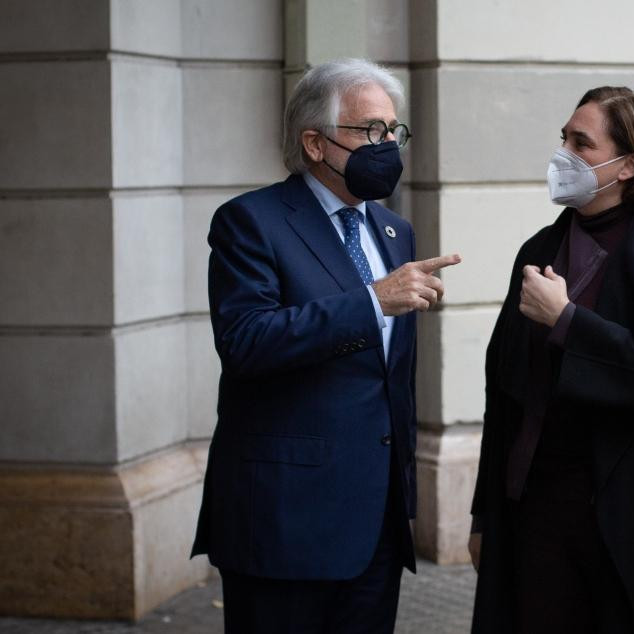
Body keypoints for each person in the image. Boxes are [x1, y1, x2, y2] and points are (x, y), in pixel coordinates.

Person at [191, 58, 461, 633]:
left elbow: (390, 379)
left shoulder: (394, 231)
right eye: (369, 131)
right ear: (315, 143)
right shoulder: (251, 221)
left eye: (393, 131)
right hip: (285, 520)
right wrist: (370, 302)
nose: (386, 144)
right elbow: (245, 342)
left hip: (375, 523)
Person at [468, 86, 634, 634]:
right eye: (564, 137)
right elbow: (504, 390)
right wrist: (485, 514)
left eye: (581, 142)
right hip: (538, 507)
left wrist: (568, 322)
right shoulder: (539, 249)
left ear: (626, 164)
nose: (564, 152)